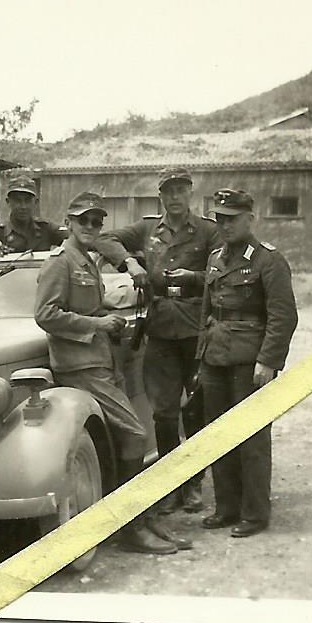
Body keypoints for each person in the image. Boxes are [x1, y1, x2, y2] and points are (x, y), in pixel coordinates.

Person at [35, 191, 191, 555]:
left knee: (127, 437)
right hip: (80, 366)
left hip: (100, 361)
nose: (91, 227)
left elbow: (85, 302)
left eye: (97, 221)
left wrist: (112, 312)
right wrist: (98, 324)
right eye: (83, 220)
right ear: (69, 224)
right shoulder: (61, 262)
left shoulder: (86, 259)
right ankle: (130, 527)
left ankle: (137, 515)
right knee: (135, 435)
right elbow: (46, 315)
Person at [95, 167, 221, 515]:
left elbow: (224, 268)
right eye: (169, 191)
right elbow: (104, 239)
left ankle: (194, 483)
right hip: (161, 330)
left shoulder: (208, 230)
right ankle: (170, 483)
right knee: (163, 413)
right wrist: (130, 265)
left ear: (191, 193)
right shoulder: (148, 229)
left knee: (195, 409)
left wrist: (194, 277)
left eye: (181, 190)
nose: (175, 197)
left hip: (197, 330)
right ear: (160, 195)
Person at [197, 189, 298, 538]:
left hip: (249, 363)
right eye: (219, 219)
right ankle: (226, 508)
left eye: (231, 219)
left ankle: (255, 514)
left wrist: (268, 361)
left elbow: (283, 316)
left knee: (252, 439)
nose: (224, 225)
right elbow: (207, 312)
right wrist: (200, 358)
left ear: (249, 219)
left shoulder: (268, 260)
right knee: (219, 435)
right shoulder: (214, 258)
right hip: (215, 358)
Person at [0, 169, 66, 256]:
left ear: (36, 202)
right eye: (17, 201)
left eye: (27, 201)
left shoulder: (46, 228)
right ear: (8, 202)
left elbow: (72, 237)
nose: (23, 206)